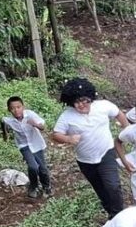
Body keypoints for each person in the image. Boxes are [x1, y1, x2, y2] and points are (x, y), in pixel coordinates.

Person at [53, 78, 129, 219]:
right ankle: (111, 213)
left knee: (113, 185)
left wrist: (127, 130)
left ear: (91, 97)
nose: (81, 105)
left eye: (85, 100)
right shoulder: (67, 116)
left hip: (106, 152)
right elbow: (56, 134)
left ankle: (119, 216)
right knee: (100, 189)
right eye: (77, 102)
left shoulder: (103, 106)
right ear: (71, 103)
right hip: (85, 160)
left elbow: (118, 113)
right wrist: (69, 139)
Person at [1, 96, 52, 198]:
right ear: (9, 110)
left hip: (37, 144)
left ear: (23, 107)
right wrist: (5, 134)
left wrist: (35, 124)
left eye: (18, 107)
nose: (16, 110)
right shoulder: (9, 120)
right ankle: (33, 187)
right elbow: (2, 121)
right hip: (24, 146)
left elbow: (42, 127)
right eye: (13, 108)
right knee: (33, 167)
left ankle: (47, 187)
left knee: (42, 168)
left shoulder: (30, 115)